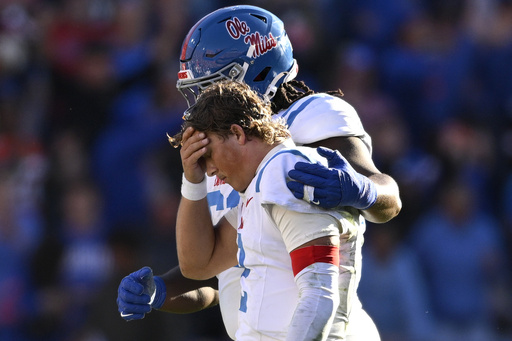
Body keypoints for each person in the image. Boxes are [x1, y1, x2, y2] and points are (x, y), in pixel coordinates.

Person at [117, 5, 401, 340]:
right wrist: (163, 290)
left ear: (251, 76)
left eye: (210, 87)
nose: (197, 106)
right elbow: (224, 278)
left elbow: (387, 198)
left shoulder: (308, 122)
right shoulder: (229, 153)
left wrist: (362, 190)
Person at [174, 79, 364, 340]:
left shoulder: (284, 172)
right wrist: (192, 183)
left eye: (209, 155)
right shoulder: (263, 183)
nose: (210, 171)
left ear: (238, 134)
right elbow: (198, 264)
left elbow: (319, 294)